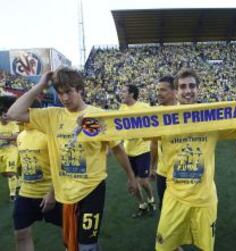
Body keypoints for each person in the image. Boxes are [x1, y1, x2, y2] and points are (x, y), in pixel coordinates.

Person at [7, 68, 138, 251]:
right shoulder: (52, 116)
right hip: (65, 194)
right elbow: (12, 114)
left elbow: (117, 148)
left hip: (92, 189)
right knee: (73, 245)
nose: (64, 98)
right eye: (60, 93)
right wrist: (41, 85)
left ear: (80, 90)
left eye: (69, 92)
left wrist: (131, 178)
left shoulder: (97, 116)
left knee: (86, 245)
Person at [155, 68, 236, 251]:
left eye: (192, 86)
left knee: (205, 248)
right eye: (182, 87)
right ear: (176, 91)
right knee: (163, 248)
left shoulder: (213, 117)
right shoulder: (162, 119)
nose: (187, 91)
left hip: (205, 198)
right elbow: (127, 127)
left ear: (199, 89)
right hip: (175, 197)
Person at [13, 99, 62, 251]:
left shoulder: (49, 134)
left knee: (69, 235)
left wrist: (52, 193)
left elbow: (62, 165)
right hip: (26, 194)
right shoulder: (21, 136)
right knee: (21, 234)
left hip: (52, 195)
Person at [120, 84, 156, 217]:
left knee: (142, 181)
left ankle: (151, 199)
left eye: (123, 91)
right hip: (128, 151)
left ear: (132, 94)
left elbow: (154, 123)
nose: (121, 93)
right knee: (132, 183)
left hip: (143, 150)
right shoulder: (122, 108)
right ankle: (142, 205)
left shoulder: (144, 107)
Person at [150, 76, 177, 211]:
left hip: (180, 172)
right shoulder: (156, 114)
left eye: (163, 90)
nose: (159, 93)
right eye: (158, 90)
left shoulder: (185, 112)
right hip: (162, 172)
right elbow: (154, 143)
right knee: (164, 207)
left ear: (174, 91)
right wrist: (152, 166)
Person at [0, 96, 20, 201]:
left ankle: (13, 195)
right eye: (4, 115)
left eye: (7, 115)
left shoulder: (13, 124)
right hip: (1, 151)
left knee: (10, 171)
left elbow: (16, 136)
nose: (6, 117)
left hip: (11, 150)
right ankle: (20, 182)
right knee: (4, 173)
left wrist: (3, 137)